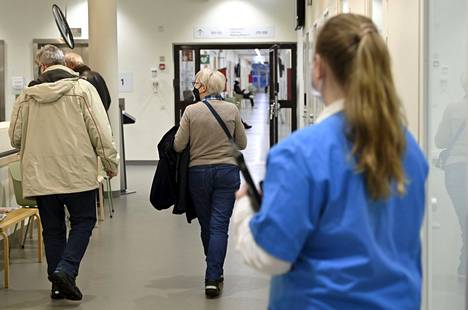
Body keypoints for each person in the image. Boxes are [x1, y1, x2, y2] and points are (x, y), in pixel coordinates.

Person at [233, 14, 428, 309]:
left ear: (319, 67)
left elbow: (272, 256)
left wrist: (246, 210)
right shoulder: (407, 148)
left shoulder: (300, 153)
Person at [9, 45, 119, 301]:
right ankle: (65, 270)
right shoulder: (83, 90)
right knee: (83, 222)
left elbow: (15, 137)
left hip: (40, 175)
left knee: (53, 229)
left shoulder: (26, 96)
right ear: (64, 64)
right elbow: (101, 132)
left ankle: (57, 285)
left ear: (41, 67)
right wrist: (109, 163)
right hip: (77, 173)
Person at [174, 68, 247, 298]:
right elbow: (242, 143)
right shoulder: (231, 109)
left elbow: (178, 145)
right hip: (227, 173)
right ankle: (213, 274)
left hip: (198, 174)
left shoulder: (191, 111)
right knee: (219, 226)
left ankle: (213, 270)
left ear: (202, 87)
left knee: (207, 225)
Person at [435, 75, 467, 276]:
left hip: (456, 170)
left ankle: (464, 263)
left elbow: (440, 141)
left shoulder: (453, 109)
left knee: (464, 217)